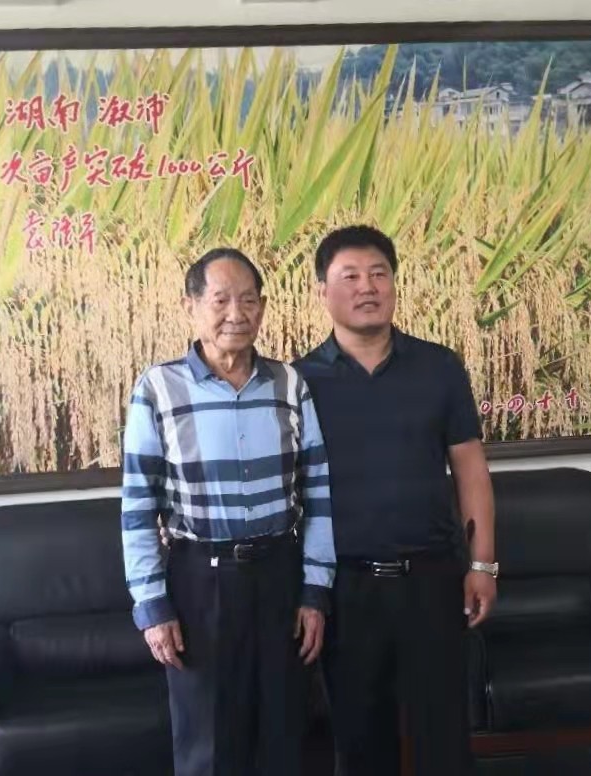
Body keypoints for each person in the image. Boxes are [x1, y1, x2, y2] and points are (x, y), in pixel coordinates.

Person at [121, 248, 336, 776]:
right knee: (209, 746)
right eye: (220, 300)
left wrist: (315, 591)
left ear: (262, 307)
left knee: (286, 734)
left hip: (280, 574)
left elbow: (318, 492)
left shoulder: (290, 384)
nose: (236, 313)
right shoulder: (158, 388)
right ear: (191, 305)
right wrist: (152, 605)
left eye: (248, 300)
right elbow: (138, 506)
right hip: (199, 581)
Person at [294, 225, 497, 776]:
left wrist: (482, 565)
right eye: (350, 276)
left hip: (432, 580)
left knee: (444, 740)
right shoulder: (298, 382)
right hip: (346, 588)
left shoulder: (440, 367)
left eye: (379, 274)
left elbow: (470, 468)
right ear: (323, 291)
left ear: (394, 284)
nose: (367, 287)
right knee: (360, 745)